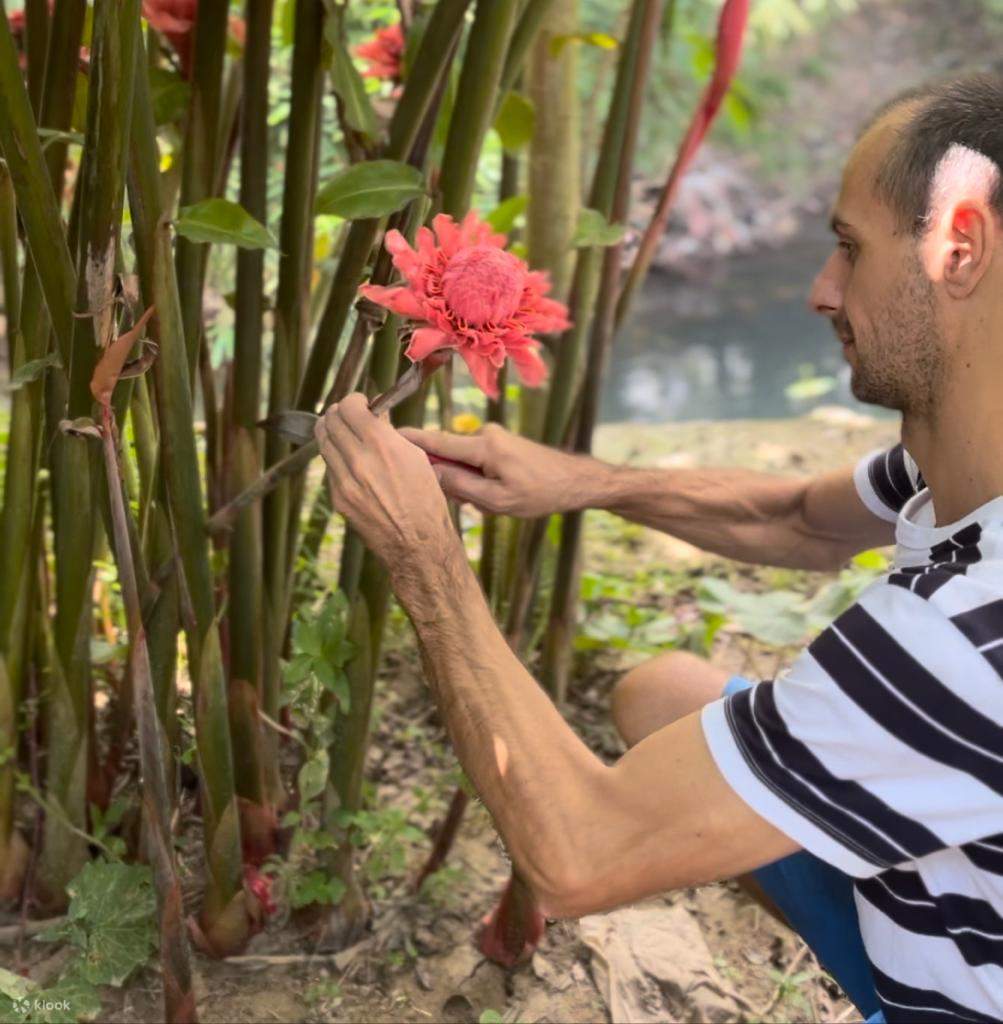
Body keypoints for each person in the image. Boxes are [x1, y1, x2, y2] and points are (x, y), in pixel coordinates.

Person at [314, 74, 1003, 1024]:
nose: (820, 291)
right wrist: (581, 483)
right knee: (662, 695)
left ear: (955, 248)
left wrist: (424, 560)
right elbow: (797, 520)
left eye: (847, 249)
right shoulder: (962, 468)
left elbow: (579, 857)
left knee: (632, 807)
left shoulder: (964, 640)